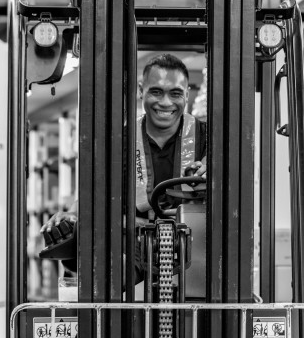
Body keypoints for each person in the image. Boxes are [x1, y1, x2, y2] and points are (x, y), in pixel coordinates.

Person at [41, 53, 209, 253]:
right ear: (141, 90)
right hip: (132, 248)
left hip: (196, 248)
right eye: (156, 92)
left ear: (187, 94)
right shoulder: (117, 142)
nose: (165, 102)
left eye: (175, 93)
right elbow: (95, 192)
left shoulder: (209, 139)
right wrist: (73, 214)